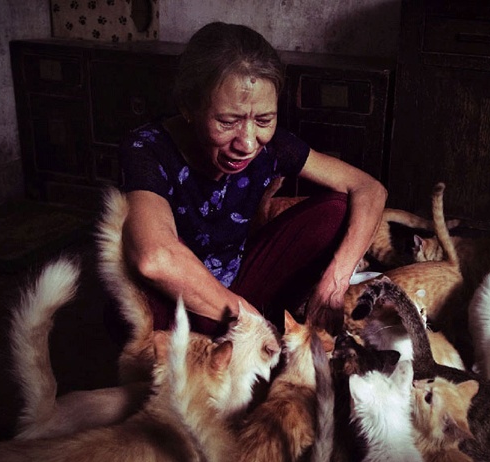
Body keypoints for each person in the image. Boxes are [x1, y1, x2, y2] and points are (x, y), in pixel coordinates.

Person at [116, 21, 387, 336]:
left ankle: (256, 323)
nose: (247, 143)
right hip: (179, 303)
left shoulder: (273, 146)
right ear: (189, 106)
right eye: (227, 121)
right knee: (136, 312)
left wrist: (335, 282)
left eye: (264, 119)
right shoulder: (147, 149)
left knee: (336, 210)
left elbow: (370, 189)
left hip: (240, 286)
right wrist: (252, 322)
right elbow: (153, 258)